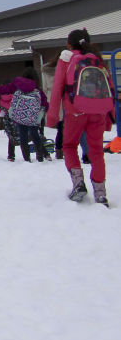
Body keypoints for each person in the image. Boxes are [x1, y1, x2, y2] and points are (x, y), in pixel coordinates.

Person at [47, 28, 115, 206]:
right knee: (97, 152)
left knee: (69, 146)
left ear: (69, 44)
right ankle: (100, 193)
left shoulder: (67, 59)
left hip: (75, 110)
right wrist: (111, 115)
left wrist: (52, 116)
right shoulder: (97, 59)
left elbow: (57, 90)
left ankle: (79, 184)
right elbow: (110, 87)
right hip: (98, 112)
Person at [0, 69, 49, 162]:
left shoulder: (17, 85)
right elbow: (44, 104)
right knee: (35, 135)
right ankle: (41, 157)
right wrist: (43, 114)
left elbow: (0, 90)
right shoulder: (37, 89)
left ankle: (27, 159)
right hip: (33, 117)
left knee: (23, 138)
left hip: (19, 116)